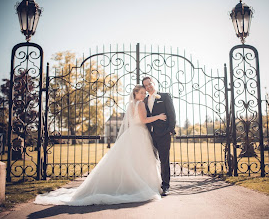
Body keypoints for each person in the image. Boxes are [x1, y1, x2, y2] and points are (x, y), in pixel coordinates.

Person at [34, 85, 167, 206]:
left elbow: (132, 121)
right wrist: (159, 117)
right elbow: (143, 120)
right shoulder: (140, 104)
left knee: (130, 161)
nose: (143, 95)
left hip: (131, 134)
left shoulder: (131, 104)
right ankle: (140, 186)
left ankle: (131, 184)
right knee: (140, 161)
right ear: (136, 93)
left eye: (144, 93)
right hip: (139, 134)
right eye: (141, 93)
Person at [142, 77, 176, 196]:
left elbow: (172, 113)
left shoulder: (165, 96)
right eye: (145, 86)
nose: (148, 87)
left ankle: (165, 186)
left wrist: (170, 130)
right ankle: (152, 184)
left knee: (164, 160)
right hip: (149, 135)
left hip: (163, 134)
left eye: (149, 84)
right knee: (151, 160)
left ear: (154, 83)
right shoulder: (145, 100)